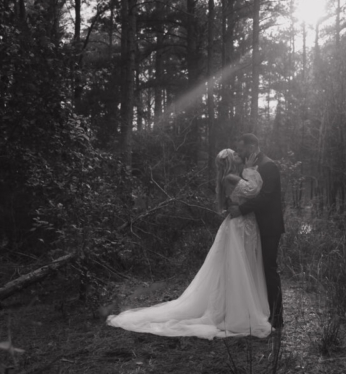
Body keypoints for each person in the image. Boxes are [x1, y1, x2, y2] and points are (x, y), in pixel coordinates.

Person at [106, 148, 272, 339]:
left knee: (241, 266)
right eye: (234, 154)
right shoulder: (231, 178)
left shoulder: (232, 177)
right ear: (228, 161)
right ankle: (237, 311)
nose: (238, 155)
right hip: (239, 226)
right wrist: (250, 168)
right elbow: (254, 190)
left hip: (244, 225)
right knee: (237, 267)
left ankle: (238, 306)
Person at [228, 133, 284, 329]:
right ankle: (259, 311)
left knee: (268, 268)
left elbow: (267, 197)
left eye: (242, 149)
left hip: (269, 226)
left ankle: (277, 317)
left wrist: (241, 209)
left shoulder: (269, 165)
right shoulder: (249, 165)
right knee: (253, 268)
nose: (240, 152)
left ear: (252, 146)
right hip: (252, 226)